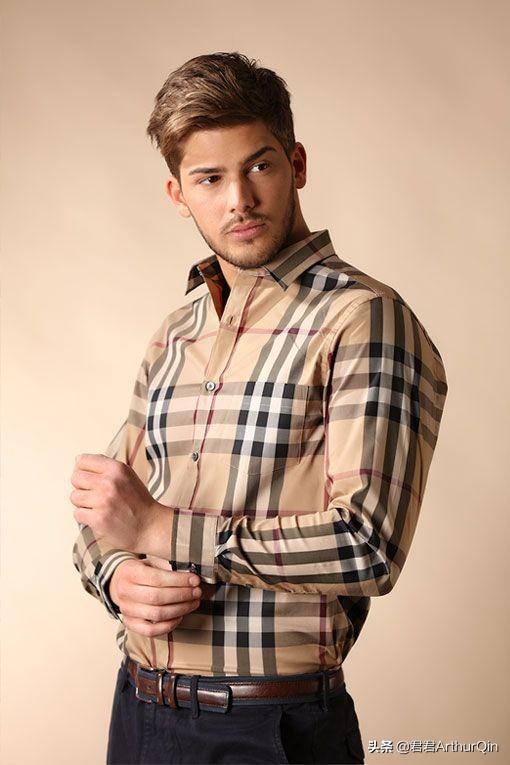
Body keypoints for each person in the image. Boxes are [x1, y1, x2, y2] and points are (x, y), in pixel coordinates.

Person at [71, 51, 448, 765]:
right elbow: (108, 512)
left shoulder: (364, 319)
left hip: (269, 727)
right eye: (209, 178)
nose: (238, 200)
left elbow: (369, 545)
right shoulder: (177, 332)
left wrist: (162, 529)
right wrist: (116, 572)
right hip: (139, 713)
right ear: (179, 193)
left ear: (296, 164)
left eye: (259, 166)